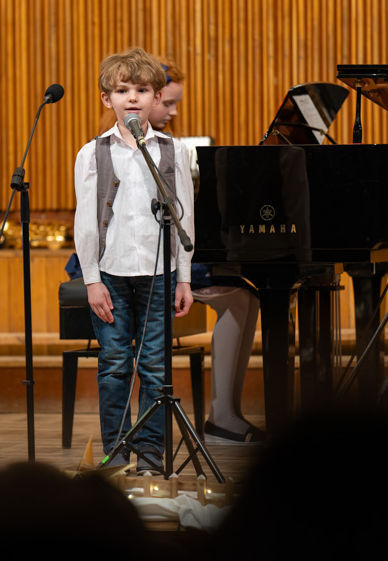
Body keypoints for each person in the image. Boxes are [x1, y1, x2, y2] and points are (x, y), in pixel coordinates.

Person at [74, 47, 195, 474]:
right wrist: (92, 279)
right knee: (114, 365)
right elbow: (86, 221)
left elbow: (184, 216)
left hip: (159, 274)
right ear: (107, 99)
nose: (132, 98)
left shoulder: (172, 150)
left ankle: (149, 454)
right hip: (111, 273)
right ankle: (117, 451)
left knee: (156, 366)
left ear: (156, 98)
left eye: (142, 90)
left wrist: (183, 277)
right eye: (122, 90)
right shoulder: (92, 153)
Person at [147, 56, 265, 445]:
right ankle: (222, 417)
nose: (174, 111)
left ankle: (225, 415)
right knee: (236, 298)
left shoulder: (172, 147)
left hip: (165, 253)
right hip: (140, 262)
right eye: (168, 103)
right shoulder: (130, 148)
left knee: (246, 296)